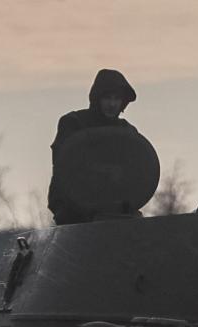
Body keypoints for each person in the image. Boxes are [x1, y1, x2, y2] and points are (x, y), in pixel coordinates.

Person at [48, 69, 138, 225]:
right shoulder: (74, 123)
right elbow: (65, 163)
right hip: (73, 207)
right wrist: (102, 170)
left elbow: (137, 170)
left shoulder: (127, 132)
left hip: (115, 208)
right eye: (107, 98)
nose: (112, 104)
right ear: (97, 98)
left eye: (117, 99)